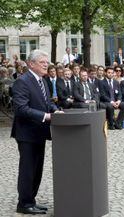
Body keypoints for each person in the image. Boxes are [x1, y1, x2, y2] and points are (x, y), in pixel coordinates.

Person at [11, 50, 59, 214]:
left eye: (47, 62)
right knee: (28, 169)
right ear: (31, 64)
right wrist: (46, 116)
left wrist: (56, 111)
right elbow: (21, 109)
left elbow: (47, 103)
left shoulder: (42, 81)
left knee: (37, 169)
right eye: (42, 62)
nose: (46, 65)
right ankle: (24, 204)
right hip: (27, 133)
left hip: (40, 132)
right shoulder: (22, 82)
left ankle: (31, 200)